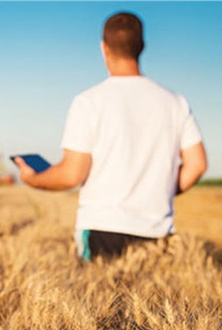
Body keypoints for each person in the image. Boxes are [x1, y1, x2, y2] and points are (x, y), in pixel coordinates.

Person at [14, 12, 207, 261]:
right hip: (157, 230)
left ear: (104, 48)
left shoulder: (88, 102)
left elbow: (73, 174)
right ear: (142, 47)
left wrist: (33, 179)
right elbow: (197, 164)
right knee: (155, 299)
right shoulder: (175, 102)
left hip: (102, 228)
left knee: (100, 298)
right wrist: (159, 190)